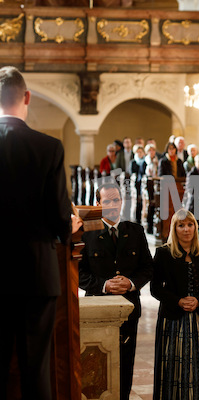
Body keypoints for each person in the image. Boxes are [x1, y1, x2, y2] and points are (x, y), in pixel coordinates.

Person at [0, 66, 72, 400]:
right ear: (26, 97)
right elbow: (60, 220)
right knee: (35, 370)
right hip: (36, 275)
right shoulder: (49, 148)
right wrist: (70, 226)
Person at [78, 183, 154, 399]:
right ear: (98, 204)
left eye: (116, 200)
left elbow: (147, 268)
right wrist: (104, 285)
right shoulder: (86, 233)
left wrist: (130, 283)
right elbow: (79, 274)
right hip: (97, 310)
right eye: (107, 201)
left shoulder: (135, 231)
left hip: (129, 307)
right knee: (97, 366)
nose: (113, 205)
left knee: (126, 362)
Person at [151, 209, 199, 400]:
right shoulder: (163, 254)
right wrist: (178, 300)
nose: (186, 229)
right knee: (176, 365)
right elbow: (155, 288)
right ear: (174, 229)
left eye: (190, 225)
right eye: (181, 225)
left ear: (196, 227)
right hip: (174, 320)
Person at [130, 144, 147, 224]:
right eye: (138, 152)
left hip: (144, 183)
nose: (139, 154)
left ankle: (143, 218)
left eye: (141, 152)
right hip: (136, 183)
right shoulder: (133, 162)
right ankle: (136, 219)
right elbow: (132, 173)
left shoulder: (145, 162)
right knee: (137, 201)